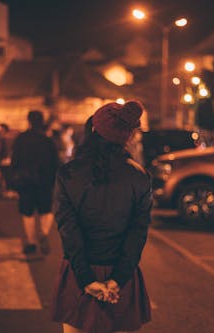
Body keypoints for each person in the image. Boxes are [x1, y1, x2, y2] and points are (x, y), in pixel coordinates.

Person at [51, 101, 152, 333]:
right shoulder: (140, 177)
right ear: (126, 138)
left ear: (93, 131)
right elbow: (138, 234)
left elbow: (69, 231)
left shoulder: (69, 174)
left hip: (78, 272)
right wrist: (118, 279)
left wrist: (86, 279)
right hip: (122, 276)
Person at [11, 110, 59, 255]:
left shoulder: (21, 138)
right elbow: (56, 163)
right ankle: (44, 233)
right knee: (47, 210)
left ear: (29, 121)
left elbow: (15, 161)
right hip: (45, 182)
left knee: (27, 213)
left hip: (25, 182)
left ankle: (31, 243)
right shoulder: (48, 141)